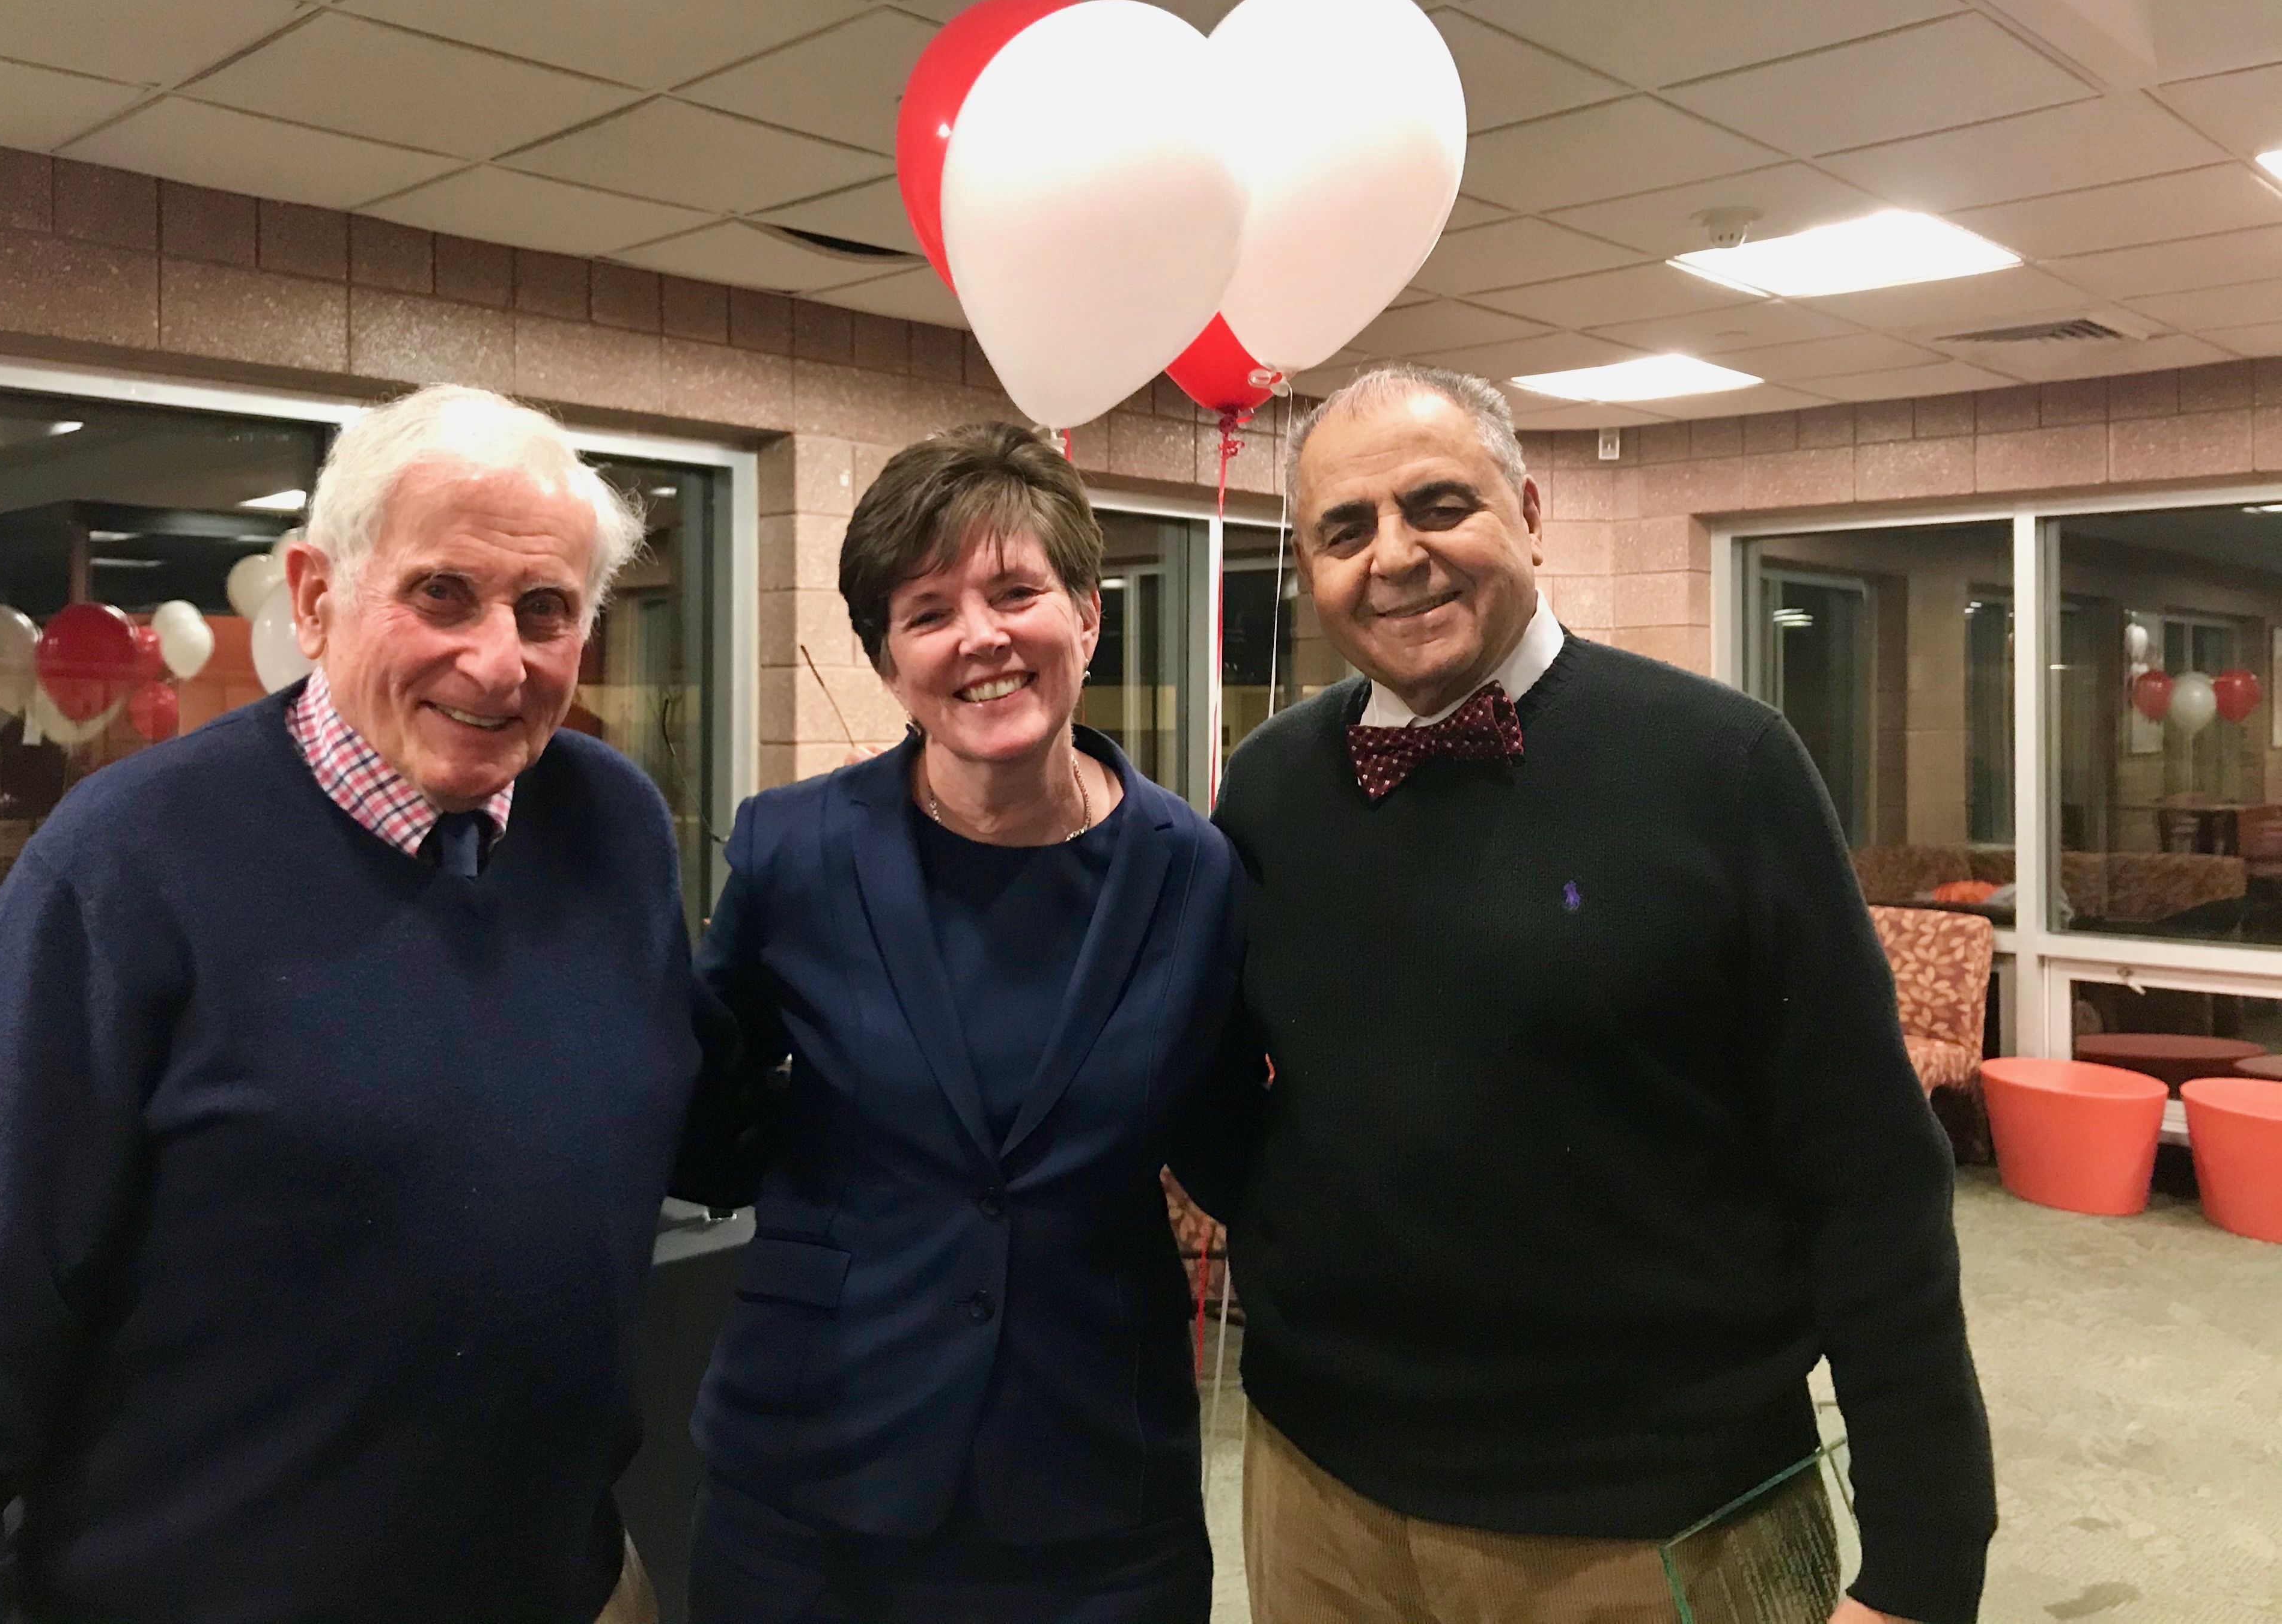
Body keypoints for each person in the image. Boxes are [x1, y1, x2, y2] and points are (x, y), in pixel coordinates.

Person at [0, 384, 753, 1624]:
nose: (498, 659)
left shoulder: (612, 827)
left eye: (544, 609)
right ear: (319, 595)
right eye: (443, 591)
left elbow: (679, 1107)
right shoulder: (129, 859)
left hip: (570, 1584)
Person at [1212, 364, 1995, 1624]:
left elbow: (1870, 1177)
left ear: (1530, 506)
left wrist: (1924, 1556)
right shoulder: (1270, 787)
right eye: (1346, 530)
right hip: (1318, 1497)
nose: (1396, 557)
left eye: (1437, 504)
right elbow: (1236, 1092)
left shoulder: (1725, 766)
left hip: (1653, 1522)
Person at [686, 422, 1244, 1624]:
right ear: (891, 663)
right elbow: (711, 1117)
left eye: (1015, 591)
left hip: (1095, 1493)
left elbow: (1226, 1132)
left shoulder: (1192, 872)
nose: (979, 636)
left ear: (1087, 616)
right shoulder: (797, 849)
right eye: (926, 610)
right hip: (817, 1477)